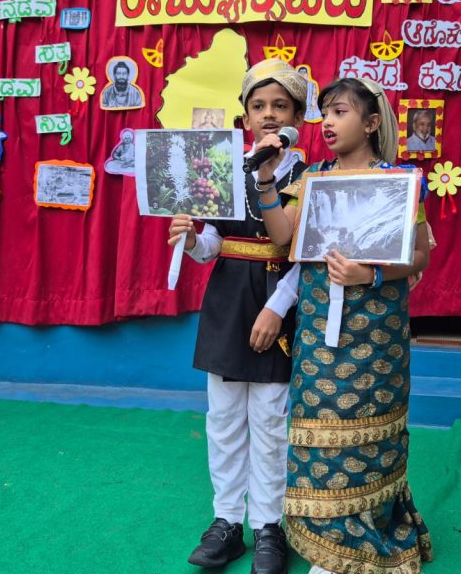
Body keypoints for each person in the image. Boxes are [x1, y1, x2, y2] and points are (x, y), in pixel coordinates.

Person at [250, 77, 433, 574]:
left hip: (376, 333)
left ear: (371, 123)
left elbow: (419, 255)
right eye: (325, 113)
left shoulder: (400, 180)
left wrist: (367, 274)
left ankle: (366, 533)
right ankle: (326, 540)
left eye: (340, 112)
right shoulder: (312, 177)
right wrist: (266, 179)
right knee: (317, 425)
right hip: (317, 331)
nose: (327, 123)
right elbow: (283, 237)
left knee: (369, 434)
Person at [167, 59, 309, 574]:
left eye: (280, 106)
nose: (269, 114)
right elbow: (214, 245)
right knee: (224, 420)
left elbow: (307, 255)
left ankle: (269, 526)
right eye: (259, 106)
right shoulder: (223, 167)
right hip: (227, 303)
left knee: (270, 421)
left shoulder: (311, 176)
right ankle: (226, 521)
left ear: (297, 116)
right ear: (245, 116)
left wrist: (276, 308)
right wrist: (191, 238)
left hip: (277, 303)